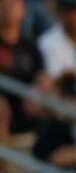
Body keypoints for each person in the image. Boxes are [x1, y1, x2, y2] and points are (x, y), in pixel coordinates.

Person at [0, 0, 51, 144]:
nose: (8, 9)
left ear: (23, 10)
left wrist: (37, 90)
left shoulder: (30, 47)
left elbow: (43, 76)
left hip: (26, 105)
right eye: (4, 5)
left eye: (13, 4)